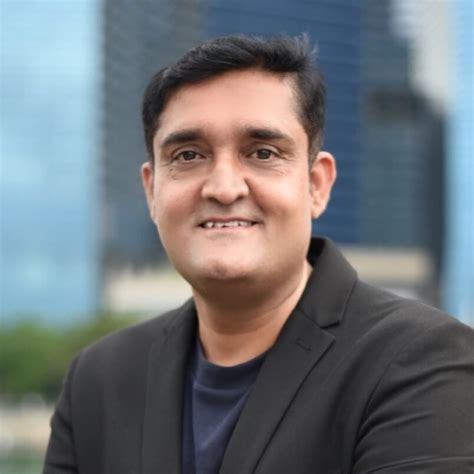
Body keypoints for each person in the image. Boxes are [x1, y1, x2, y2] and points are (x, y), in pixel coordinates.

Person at [43, 35, 474, 474]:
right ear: (152, 191)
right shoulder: (98, 380)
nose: (224, 188)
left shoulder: (418, 359)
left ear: (317, 184)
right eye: (188, 155)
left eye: (263, 153)